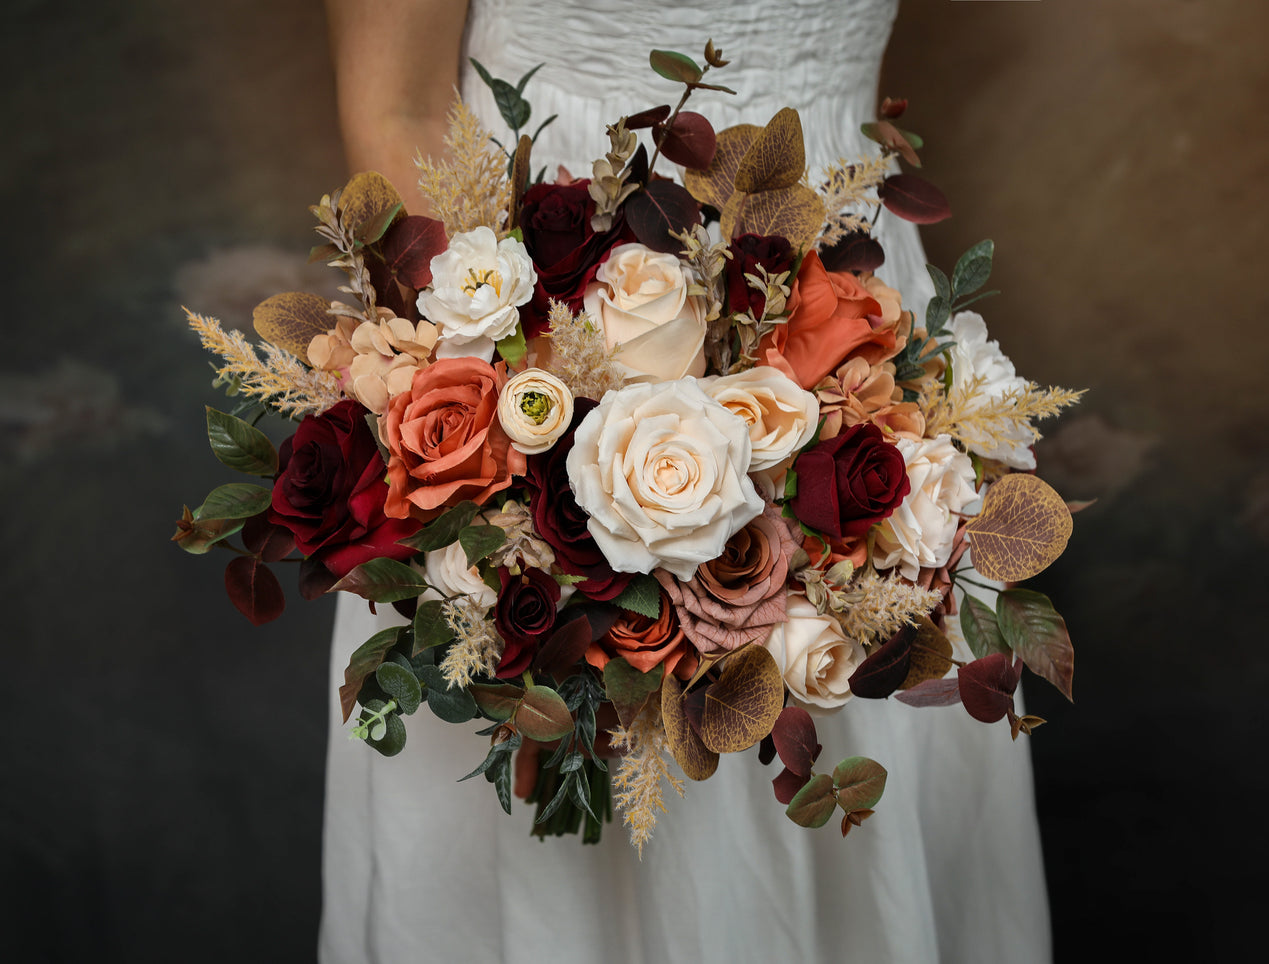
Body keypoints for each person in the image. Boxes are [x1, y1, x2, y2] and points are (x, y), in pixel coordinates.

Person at [319, 2, 1052, 961]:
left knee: (859, 694)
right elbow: (398, 105)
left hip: (858, 319)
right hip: (543, 306)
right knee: (570, 800)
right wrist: (537, 481)